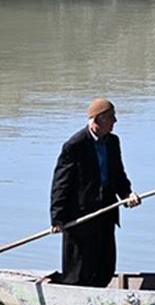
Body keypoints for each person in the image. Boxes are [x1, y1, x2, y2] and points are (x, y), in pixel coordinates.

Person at [50, 98, 140, 287]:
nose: (115, 121)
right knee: (79, 270)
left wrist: (127, 195)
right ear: (97, 120)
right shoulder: (75, 145)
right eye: (111, 117)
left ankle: (99, 297)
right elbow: (61, 183)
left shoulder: (112, 142)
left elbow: (118, 175)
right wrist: (57, 218)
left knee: (105, 266)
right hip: (81, 216)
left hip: (106, 212)